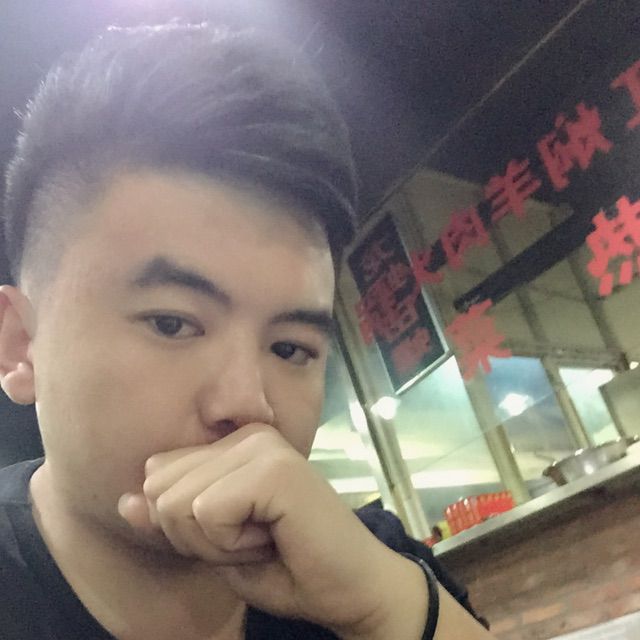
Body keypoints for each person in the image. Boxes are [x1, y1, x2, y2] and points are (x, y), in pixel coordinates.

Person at [0, 23, 493, 639]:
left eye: (290, 348)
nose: (248, 404)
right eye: (172, 323)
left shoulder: (371, 568)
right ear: (21, 346)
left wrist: (385, 608)